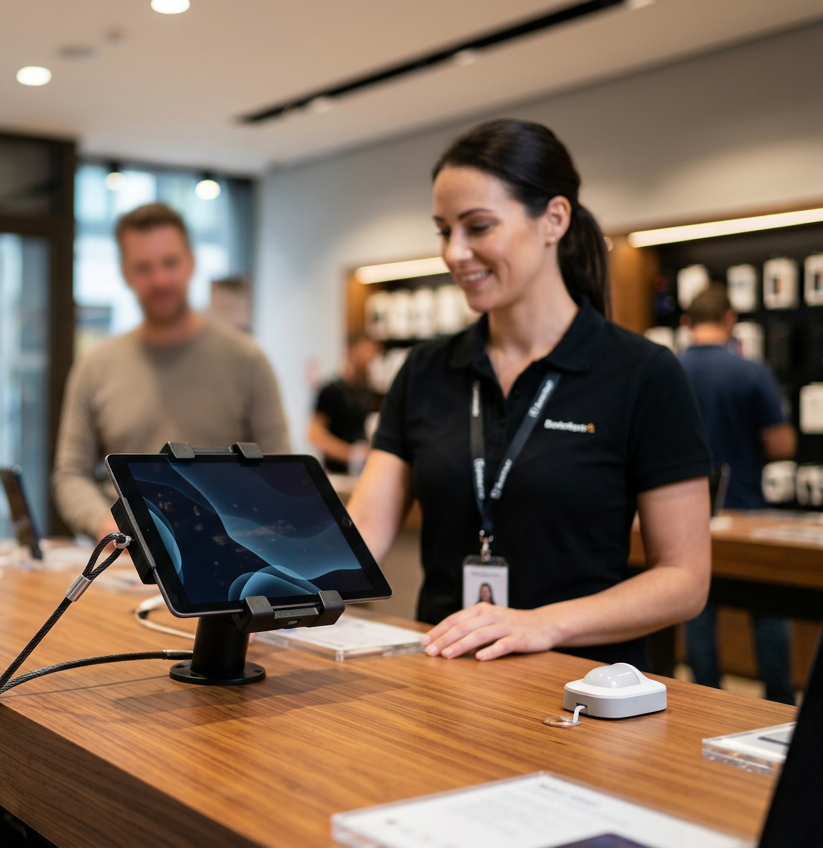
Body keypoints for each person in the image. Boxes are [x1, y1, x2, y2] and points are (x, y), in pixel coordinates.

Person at [348, 119, 713, 665]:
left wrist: (541, 625)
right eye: (443, 231)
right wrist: (254, 593)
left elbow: (684, 579)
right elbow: (365, 534)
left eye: (478, 227)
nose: (453, 253)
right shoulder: (425, 369)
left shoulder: (642, 373)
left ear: (554, 219)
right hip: (442, 679)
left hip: (583, 690)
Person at [52, 202, 290, 539]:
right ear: (125, 273)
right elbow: (70, 474)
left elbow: (281, 472)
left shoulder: (246, 359)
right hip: (128, 555)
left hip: (225, 556)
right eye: (144, 267)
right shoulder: (94, 366)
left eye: (170, 263)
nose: (160, 279)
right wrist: (108, 525)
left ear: (191, 263)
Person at [679, 285, 797, 704]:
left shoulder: (670, 370)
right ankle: (779, 704)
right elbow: (781, 444)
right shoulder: (751, 372)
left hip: (684, 512)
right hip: (747, 508)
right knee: (767, 607)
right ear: (730, 320)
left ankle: (704, 702)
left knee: (697, 607)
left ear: (686, 322)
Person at [308, 334, 381, 474]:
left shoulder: (367, 391)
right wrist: (350, 454)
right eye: (365, 353)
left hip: (359, 471)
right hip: (336, 471)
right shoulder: (331, 390)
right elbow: (315, 434)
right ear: (350, 351)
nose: (369, 359)